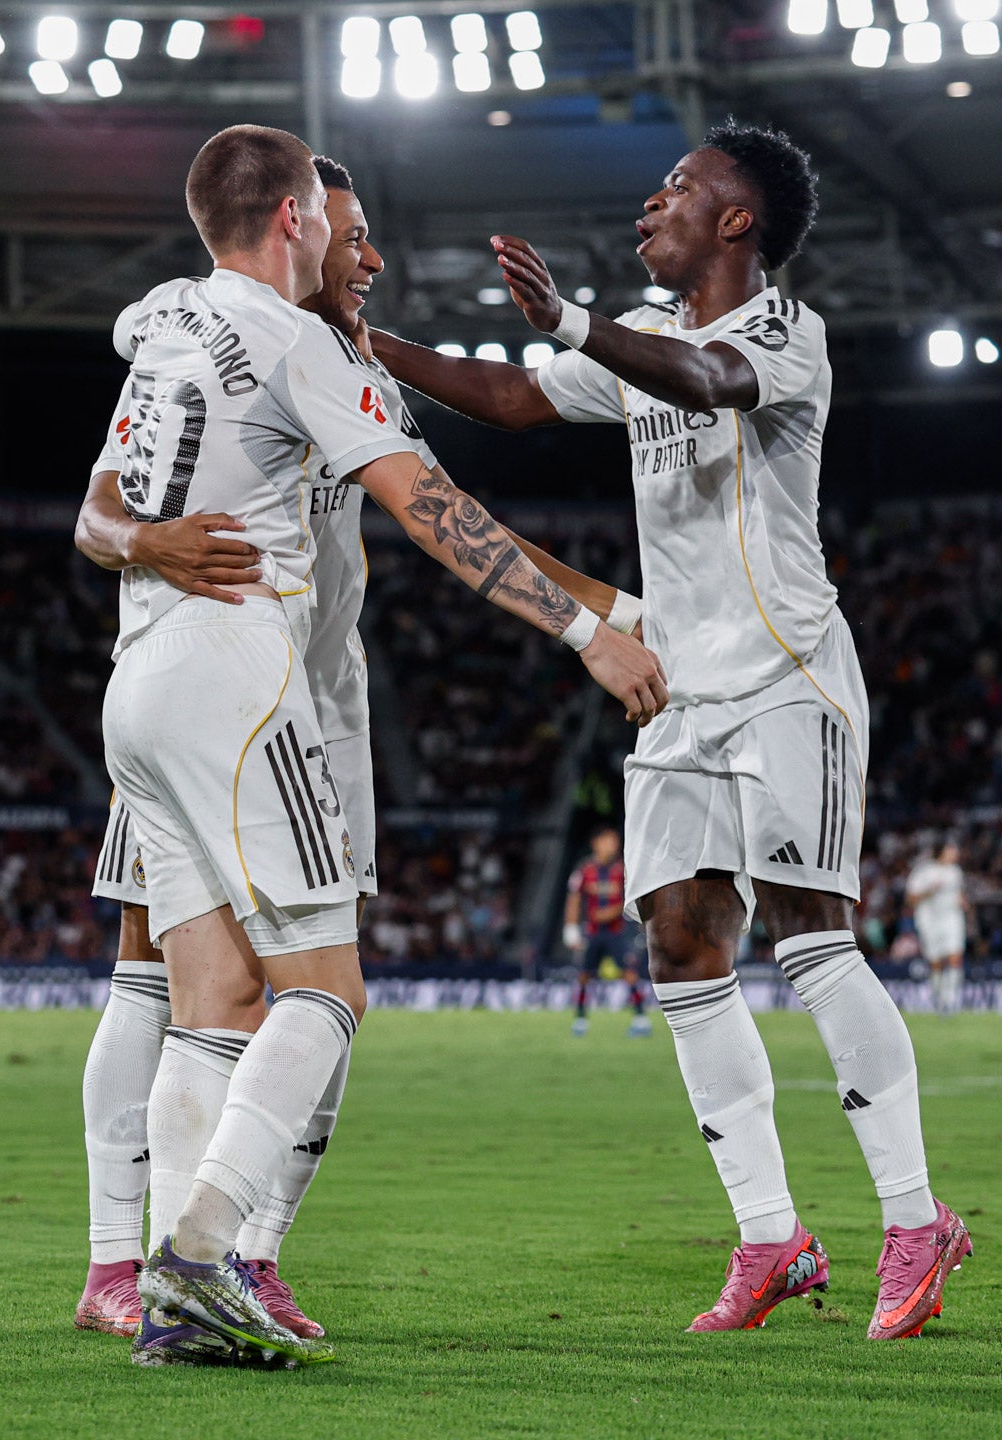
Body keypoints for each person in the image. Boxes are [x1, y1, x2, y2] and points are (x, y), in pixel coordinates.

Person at [368, 119, 972, 1339]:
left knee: (810, 938)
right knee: (682, 947)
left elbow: (707, 382)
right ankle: (771, 1238)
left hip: (789, 673)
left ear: (737, 221)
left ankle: (915, 1221)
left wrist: (572, 320)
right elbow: (515, 400)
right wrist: (365, 340)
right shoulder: (644, 341)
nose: (652, 204)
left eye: (678, 189)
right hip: (679, 689)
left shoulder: (785, 333)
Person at [79, 123, 668, 1368]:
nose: (369, 257)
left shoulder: (171, 323)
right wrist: (587, 636)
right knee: (326, 991)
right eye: (341, 226)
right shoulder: (293, 342)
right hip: (240, 679)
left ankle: (178, 1307)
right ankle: (199, 1253)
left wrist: (618, 610)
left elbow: (110, 494)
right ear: (295, 217)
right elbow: (437, 512)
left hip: (141, 680)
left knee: (213, 1002)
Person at [562, 824, 651, 1037]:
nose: (614, 845)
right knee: (584, 975)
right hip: (592, 933)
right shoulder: (584, 870)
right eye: (609, 840)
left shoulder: (622, 870)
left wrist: (612, 912)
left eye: (615, 841)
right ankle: (580, 1019)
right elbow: (574, 899)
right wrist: (570, 928)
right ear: (596, 843)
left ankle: (640, 1018)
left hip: (616, 932)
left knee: (629, 974)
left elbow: (630, 899)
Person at [906, 839, 968, 1015]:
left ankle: (951, 1000)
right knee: (936, 962)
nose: (955, 853)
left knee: (955, 956)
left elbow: (960, 893)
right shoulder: (924, 871)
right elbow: (910, 899)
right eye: (951, 849)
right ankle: (939, 1000)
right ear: (941, 851)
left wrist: (963, 902)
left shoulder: (956, 872)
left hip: (952, 917)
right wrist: (930, 890)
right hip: (929, 920)